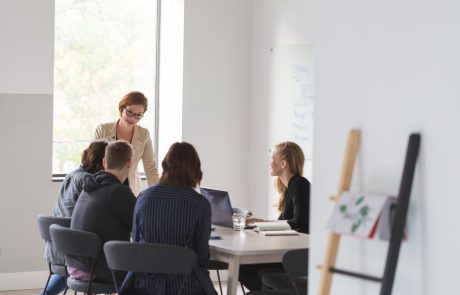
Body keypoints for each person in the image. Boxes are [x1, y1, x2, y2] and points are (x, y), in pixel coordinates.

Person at [120, 142, 217, 295]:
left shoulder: (144, 197)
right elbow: (201, 256)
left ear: (165, 165)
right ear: (195, 168)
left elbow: (136, 243)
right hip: (184, 286)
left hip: (144, 284)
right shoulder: (200, 204)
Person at [239, 141, 310, 291]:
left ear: (284, 163)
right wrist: (257, 222)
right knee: (243, 266)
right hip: (289, 251)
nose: (269, 162)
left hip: (297, 256)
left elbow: (299, 222)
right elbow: (285, 222)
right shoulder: (290, 187)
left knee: (243, 266)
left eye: (272, 158)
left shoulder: (299, 184)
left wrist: (261, 222)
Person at [41, 140, 108, 295]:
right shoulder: (89, 181)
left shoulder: (71, 176)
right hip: (73, 252)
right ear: (103, 162)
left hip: (57, 248)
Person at [68, 140, 137, 282]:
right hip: (97, 269)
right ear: (129, 164)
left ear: (105, 162)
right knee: (148, 270)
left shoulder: (89, 186)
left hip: (75, 264)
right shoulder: (119, 192)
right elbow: (141, 228)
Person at [94, 91, 159, 196]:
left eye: (138, 115)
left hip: (131, 191)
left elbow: (151, 170)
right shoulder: (103, 130)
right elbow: (91, 162)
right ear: (121, 109)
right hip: (103, 189)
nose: (133, 118)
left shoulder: (144, 135)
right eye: (130, 112)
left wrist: (158, 196)